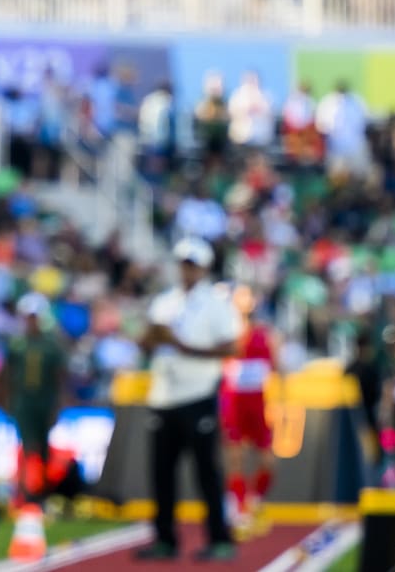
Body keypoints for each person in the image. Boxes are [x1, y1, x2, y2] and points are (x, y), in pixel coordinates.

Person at [134, 238, 240, 562]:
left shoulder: (217, 304)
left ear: (204, 268)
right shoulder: (165, 302)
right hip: (163, 395)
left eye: (192, 265)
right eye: (183, 264)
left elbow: (231, 347)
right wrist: (152, 337)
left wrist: (182, 346)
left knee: (206, 472)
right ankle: (165, 539)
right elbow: (145, 344)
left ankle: (219, 538)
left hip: (198, 393)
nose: (186, 270)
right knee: (161, 473)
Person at [221, 284, 280, 536]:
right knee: (235, 458)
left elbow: (275, 366)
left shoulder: (265, 333)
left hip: (258, 403)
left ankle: (253, 501)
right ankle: (237, 508)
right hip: (234, 402)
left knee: (268, 461)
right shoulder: (227, 332)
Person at [3, 293, 67, 507]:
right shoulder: (17, 344)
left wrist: (59, 403)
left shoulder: (51, 345)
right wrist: (5, 399)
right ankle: (25, 490)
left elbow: (59, 377)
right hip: (23, 401)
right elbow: (7, 374)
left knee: (43, 447)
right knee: (26, 444)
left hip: (45, 400)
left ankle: (43, 491)